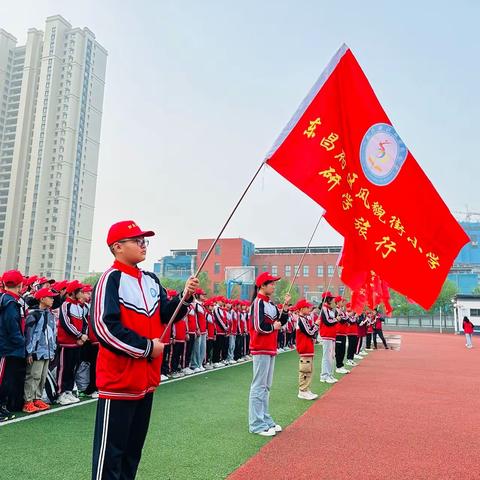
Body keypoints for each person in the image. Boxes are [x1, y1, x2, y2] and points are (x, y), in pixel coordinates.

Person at [91, 220, 198, 480]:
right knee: (110, 458)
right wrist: (148, 348)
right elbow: (104, 327)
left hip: (146, 381)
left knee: (132, 453)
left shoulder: (151, 279)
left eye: (144, 240)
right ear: (117, 247)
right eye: (136, 240)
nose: (143, 244)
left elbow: (166, 314)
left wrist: (184, 298)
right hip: (119, 382)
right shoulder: (110, 279)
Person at [248, 271, 290, 437]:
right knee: (258, 386)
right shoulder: (258, 303)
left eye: (274, 283)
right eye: (271, 283)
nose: (274, 285)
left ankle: (265, 419)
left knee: (266, 386)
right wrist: (273, 327)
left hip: (270, 347)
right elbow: (258, 326)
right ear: (262, 285)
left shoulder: (270, 304)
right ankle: (256, 424)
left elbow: (281, 321)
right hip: (260, 347)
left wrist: (285, 307)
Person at [23, 287, 58, 414]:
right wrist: (29, 352)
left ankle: (37, 398)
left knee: (42, 377)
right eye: (50, 297)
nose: (53, 299)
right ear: (42, 299)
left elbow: (52, 333)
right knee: (33, 376)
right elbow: (30, 335)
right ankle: (28, 401)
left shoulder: (50, 314)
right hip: (37, 351)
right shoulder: (34, 315)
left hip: (47, 351)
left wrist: (52, 349)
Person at [0, 270, 26, 420]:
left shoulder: (8, 299)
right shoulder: (9, 301)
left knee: (7, 380)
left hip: (9, 347)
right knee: (3, 379)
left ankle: (3, 406)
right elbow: (12, 326)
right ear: (20, 285)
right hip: (7, 347)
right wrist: (20, 342)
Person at [57, 279, 87, 405]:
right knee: (64, 368)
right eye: (80, 291)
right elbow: (65, 323)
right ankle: (60, 393)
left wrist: (83, 336)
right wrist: (80, 335)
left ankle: (68, 390)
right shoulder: (65, 305)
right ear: (73, 292)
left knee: (73, 368)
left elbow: (84, 323)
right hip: (66, 343)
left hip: (77, 343)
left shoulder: (79, 306)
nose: (82, 293)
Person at [295, 299, 319, 400]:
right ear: (301, 309)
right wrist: (317, 325)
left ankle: (306, 388)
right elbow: (309, 332)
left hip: (308, 347)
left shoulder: (305, 319)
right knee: (305, 369)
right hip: (304, 347)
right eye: (307, 307)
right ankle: (302, 390)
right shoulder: (301, 319)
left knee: (309, 369)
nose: (309, 309)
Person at [319, 292, 338, 384]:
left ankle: (329, 374)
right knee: (326, 356)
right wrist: (336, 319)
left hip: (331, 335)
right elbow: (327, 321)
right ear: (327, 299)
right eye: (331, 298)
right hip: (326, 335)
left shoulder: (330, 310)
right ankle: (324, 375)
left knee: (331, 356)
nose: (333, 300)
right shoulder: (324, 309)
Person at [190, 288, 208, 372]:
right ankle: (194, 364)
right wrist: (197, 328)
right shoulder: (195, 305)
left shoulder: (201, 305)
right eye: (202, 294)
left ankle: (199, 363)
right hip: (199, 330)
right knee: (196, 348)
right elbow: (195, 318)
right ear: (197, 295)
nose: (204, 296)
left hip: (203, 330)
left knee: (202, 348)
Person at [334, 296, 350, 375]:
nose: (343, 302)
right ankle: (338, 366)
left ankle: (341, 365)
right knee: (339, 350)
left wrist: (345, 317)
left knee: (343, 350)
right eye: (341, 301)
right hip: (338, 332)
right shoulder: (336, 311)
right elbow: (343, 320)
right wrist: (344, 318)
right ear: (337, 302)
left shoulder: (342, 311)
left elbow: (347, 319)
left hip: (343, 333)